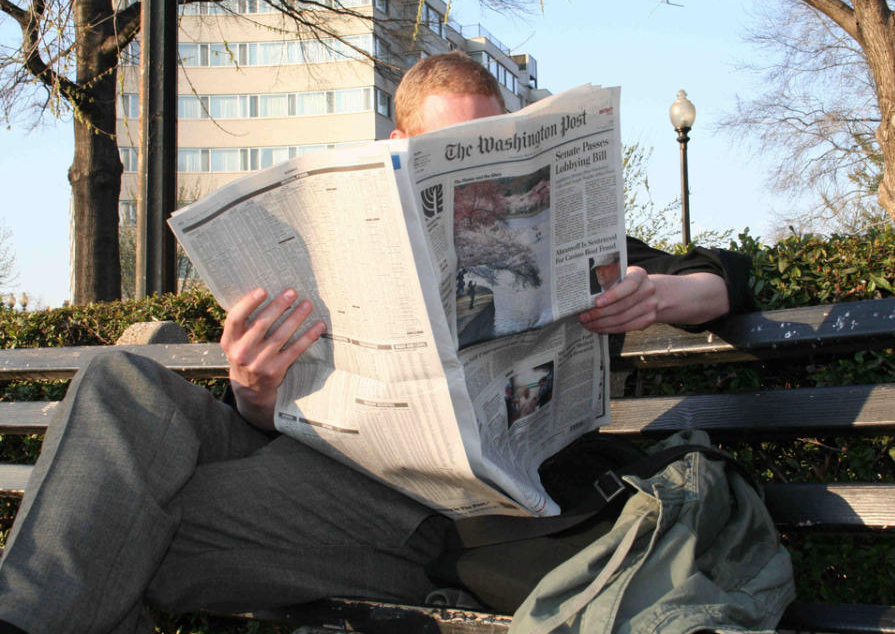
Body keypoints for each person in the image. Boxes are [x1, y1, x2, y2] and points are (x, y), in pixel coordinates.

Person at [0, 51, 749, 634]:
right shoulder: (347, 237)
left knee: (126, 531)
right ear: (401, 144)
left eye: (484, 143)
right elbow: (275, 419)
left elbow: (731, 277)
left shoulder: (556, 233)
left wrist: (663, 293)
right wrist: (256, 390)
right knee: (115, 382)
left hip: (452, 520)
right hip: (327, 473)